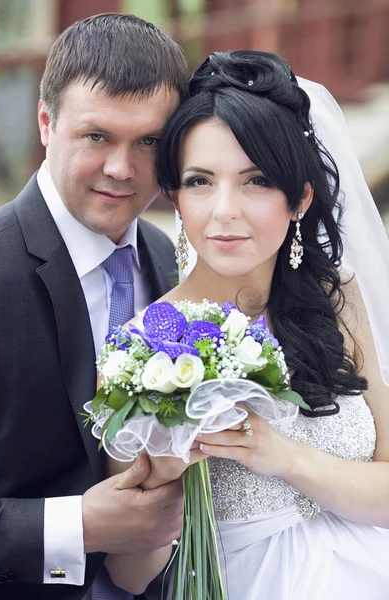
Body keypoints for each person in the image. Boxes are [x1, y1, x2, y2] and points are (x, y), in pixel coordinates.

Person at [103, 51, 389, 598]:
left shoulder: (337, 296)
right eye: (200, 181)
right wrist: (164, 478)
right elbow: (130, 577)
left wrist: (285, 457)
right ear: (175, 196)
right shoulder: (142, 347)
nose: (224, 210)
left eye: (256, 181)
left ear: (299, 198)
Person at [0, 13, 188, 600]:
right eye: (97, 136)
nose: (121, 169)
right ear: (47, 123)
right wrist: (77, 526)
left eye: (149, 141)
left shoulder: (166, 257)